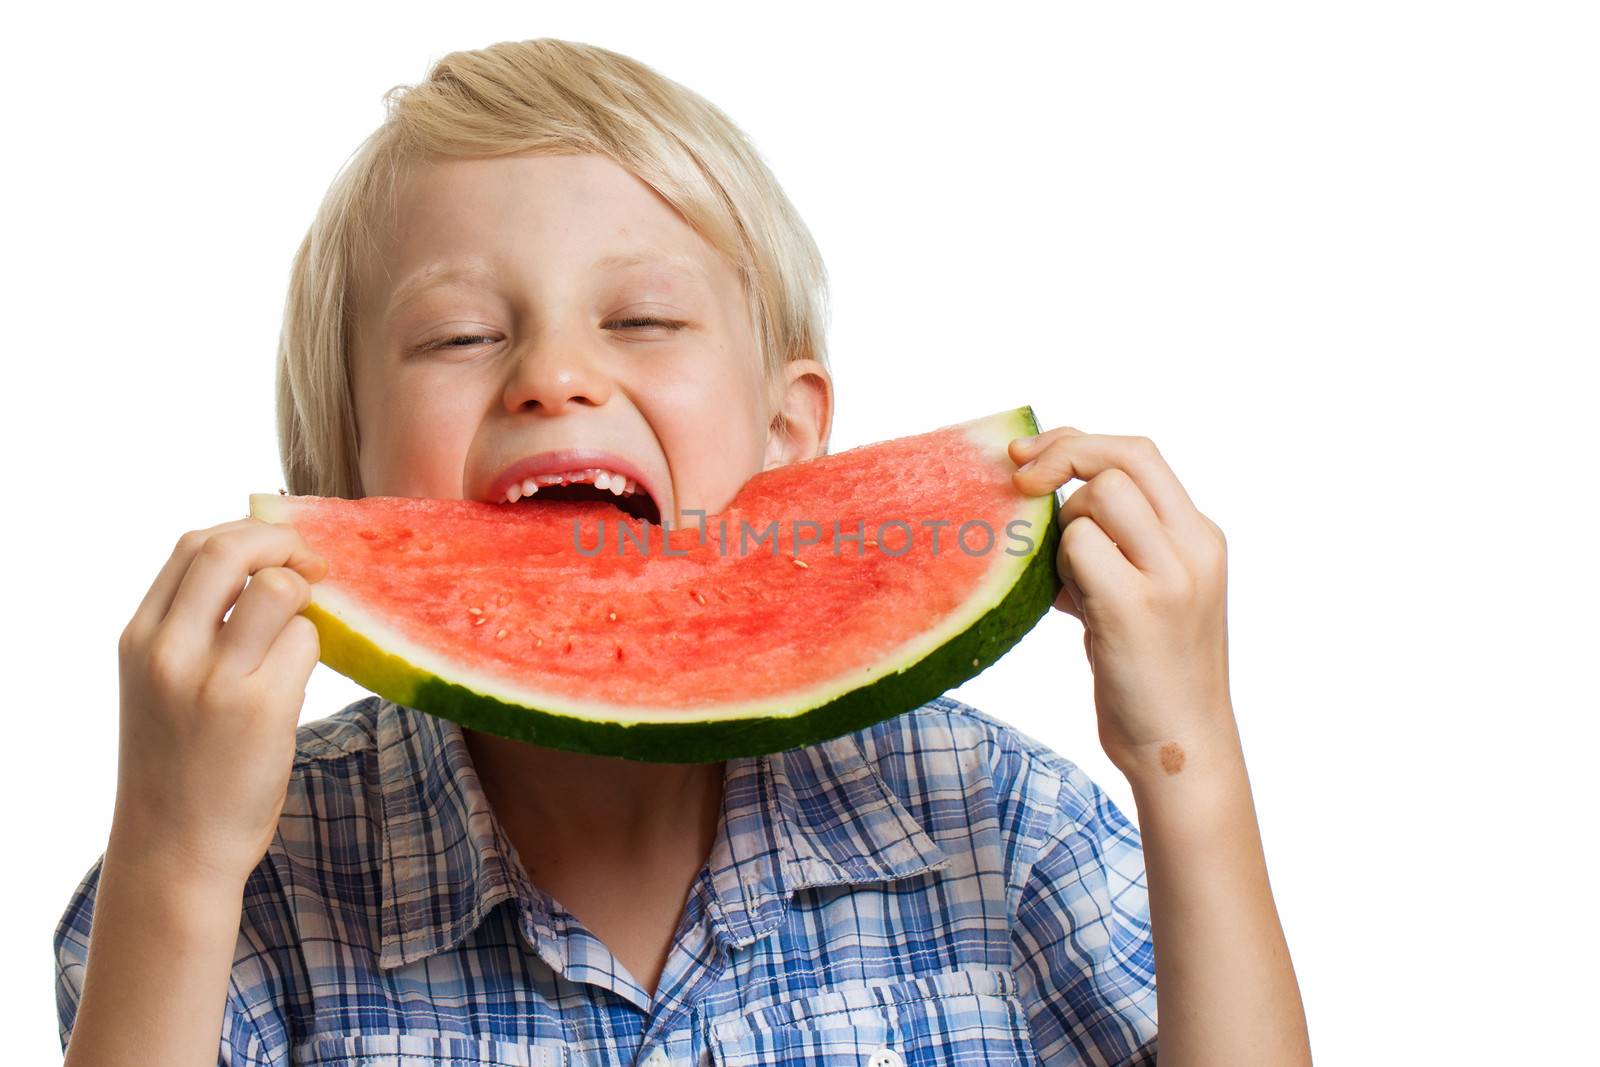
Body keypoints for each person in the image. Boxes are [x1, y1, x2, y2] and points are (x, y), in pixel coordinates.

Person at [53, 37, 1311, 1066]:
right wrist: (177, 858)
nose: (553, 375)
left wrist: (1184, 758)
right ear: (340, 476)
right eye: (456, 337)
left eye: (643, 318)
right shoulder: (247, 885)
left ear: (789, 436)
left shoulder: (998, 820)